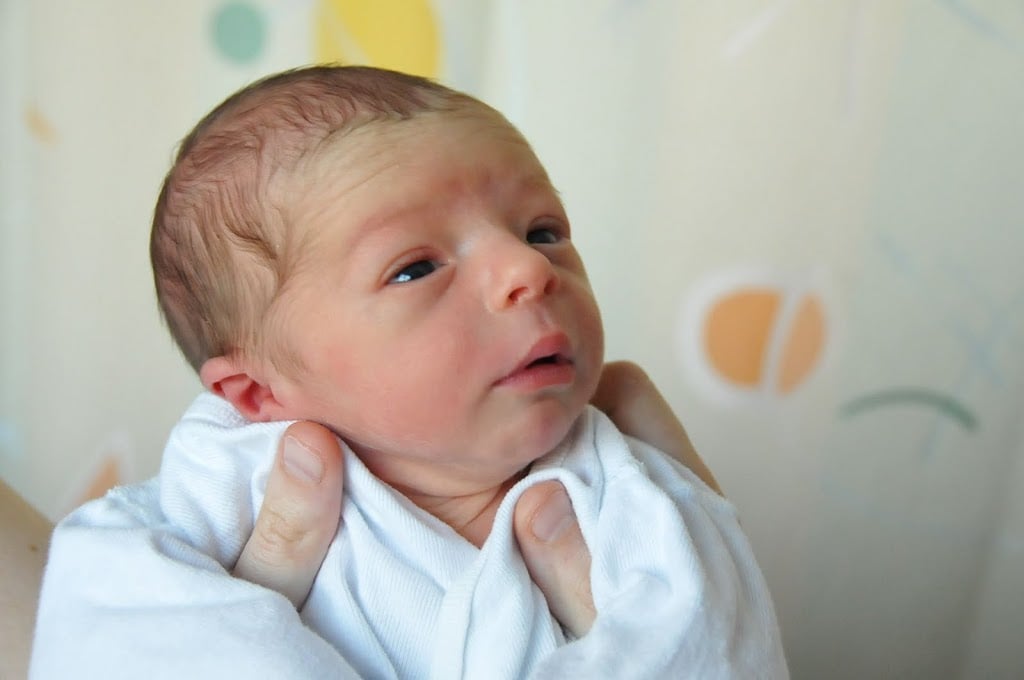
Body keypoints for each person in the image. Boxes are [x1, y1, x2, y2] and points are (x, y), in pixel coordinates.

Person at [32, 66, 787, 678]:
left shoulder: (625, 487)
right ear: (259, 393)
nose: (528, 267)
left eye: (543, 229)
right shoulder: (227, 482)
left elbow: (711, 649)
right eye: (416, 267)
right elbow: (110, 619)